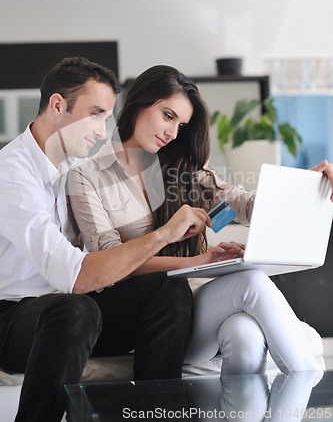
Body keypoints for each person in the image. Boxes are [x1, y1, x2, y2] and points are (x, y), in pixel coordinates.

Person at [68, 64, 333, 379]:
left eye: (181, 125)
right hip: (145, 316)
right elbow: (110, 264)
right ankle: (314, 384)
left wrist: (303, 186)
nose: (172, 132)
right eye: (168, 116)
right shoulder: (87, 176)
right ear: (138, 104)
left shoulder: (183, 171)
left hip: (197, 304)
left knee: (245, 334)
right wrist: (197, 259)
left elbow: (244, 205)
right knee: (251, 282)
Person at [0, 58, 213, 422]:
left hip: (71, 314)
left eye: (106, 117)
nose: (102, 130)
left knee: (165, 291)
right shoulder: (11, 174)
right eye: (95, 114)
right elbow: (78, 278)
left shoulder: (71, 170)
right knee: (76, 309)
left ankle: (157, 415)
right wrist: (163, 234)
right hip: (14, 319)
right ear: (57, 106)